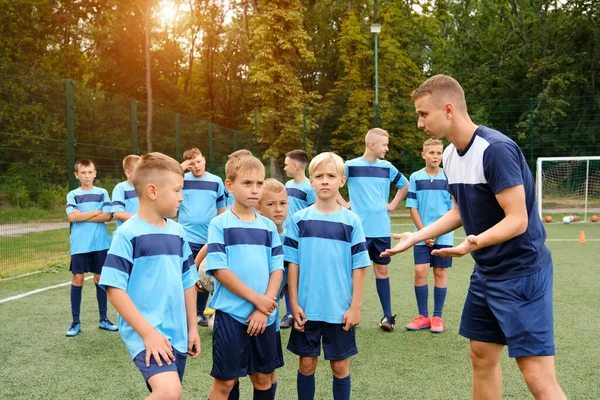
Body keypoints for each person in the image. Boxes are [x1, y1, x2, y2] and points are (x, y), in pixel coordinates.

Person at [382, 74, 566, 399]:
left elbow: (518, 219)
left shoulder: (495, 150)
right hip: (487, 274)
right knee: (480, 355)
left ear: (448, 109)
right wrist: (416, 236)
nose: (419, 123)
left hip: (522, 273)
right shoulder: (451, 156)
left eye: (423, 114)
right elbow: (457, 212)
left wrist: (473, 242)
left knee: (536, 375)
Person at [99, 152, 201, 399]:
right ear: (153, 191)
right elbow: (114, 288)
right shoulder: (128, 234)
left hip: (177, 333)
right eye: (177, 190)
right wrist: (148, 333)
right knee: (169, 392)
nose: (181, 196)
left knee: (169, 392)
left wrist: (192, 328)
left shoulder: (178, 232)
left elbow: (188, 281)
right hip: (146, 333)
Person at [285, 152, 370, 400]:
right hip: (307, 308)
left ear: (341, 181)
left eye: (331, 176)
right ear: (310, 181)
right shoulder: (299, 220)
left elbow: (360, 266)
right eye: (319, 176)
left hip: (339, 309)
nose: (324, 181)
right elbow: (293, 263)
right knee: (306, 365)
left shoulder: (352, 221)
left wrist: (355, 306)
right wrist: (293, 303)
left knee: (340, 366)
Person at [205, 155, 284, 400]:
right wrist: (257, 300)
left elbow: (277, 269)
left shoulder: (268, 227)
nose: (255, 189)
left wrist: (265, 306)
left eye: (259, 184)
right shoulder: (219, 224)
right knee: (225, 382)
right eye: (247, 183)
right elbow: (220, 270)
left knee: (262, 379)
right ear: (230, 186)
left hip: (265, 318)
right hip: (231, 315)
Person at [337, 128, 408, 331]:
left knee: (382, 270)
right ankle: (347, 313)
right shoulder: (350, 166)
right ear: (372, 145)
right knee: (353, 272)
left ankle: (387, 317)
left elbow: (405, 185)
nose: (387, 148)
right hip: (357, 230)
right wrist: (344, 204)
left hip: (381, 230)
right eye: (385, 145)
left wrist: (393, 205)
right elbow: (334, 181)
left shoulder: (387, 167)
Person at [404, 138, 454, 333]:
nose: (436, 156)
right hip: (421, 236)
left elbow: (453, 209)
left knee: (440, 273)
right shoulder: (415, 177)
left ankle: (437, 317)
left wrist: (436, 232)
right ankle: (423, 316)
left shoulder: (448, 177)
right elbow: (413, 208)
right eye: (432, 153)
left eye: (439, 153)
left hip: (444, 236)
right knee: (420, 272)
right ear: (423, 154)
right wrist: (425, 233)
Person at [65, 159, 117, 337]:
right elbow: (72, 217)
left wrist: (84, 215)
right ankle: (75, 322)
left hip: (100, 243)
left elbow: (107, 216)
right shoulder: (72, 194)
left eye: (90, 172)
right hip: (79, 244)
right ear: (76, 175)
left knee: (100, 279)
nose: (87, 176)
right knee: (77, 279)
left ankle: (103, 319)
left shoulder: (102, 193)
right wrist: (95, 212)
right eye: (83, 173)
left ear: (95, 173)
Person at [179, 147, 226, 327]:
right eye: (191, 164)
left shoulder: (216, 181)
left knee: (204, 275)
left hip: (209, 238)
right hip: (186, 237)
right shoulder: (181, 179)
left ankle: (199, 313)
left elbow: (221, 206)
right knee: (186, 276)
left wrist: (221, 229)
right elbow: (165, 179)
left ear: (204, 160)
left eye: (198, 161)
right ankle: (186, 313)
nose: (196, 166)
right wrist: (181, 168)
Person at [280, 149, 316, 329]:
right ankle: (288, 311)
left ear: (295, 166)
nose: (284, 167)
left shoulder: (310, 188)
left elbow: (313, 214)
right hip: (286, 237)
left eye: (286, 164)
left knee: (300, 275)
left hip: (302, 239)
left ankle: (299, 310)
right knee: (286, 274)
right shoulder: (286, 184)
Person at [112, 155, 141, 229]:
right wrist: (141, 220)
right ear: (128, 173)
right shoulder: (120, 188)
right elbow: (117, 213)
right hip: (128, 233)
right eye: (139, 171)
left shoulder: (145, 188)